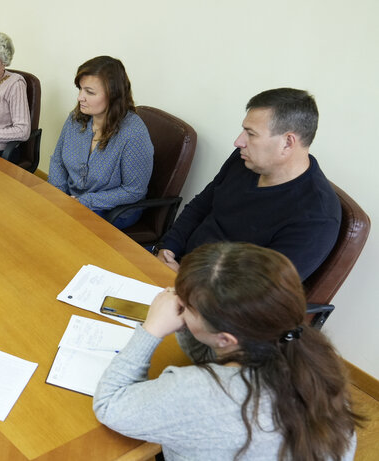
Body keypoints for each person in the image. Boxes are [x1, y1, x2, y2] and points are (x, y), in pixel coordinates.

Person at [93, 242, 359, 460]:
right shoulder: (313, 356)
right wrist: (192, 313)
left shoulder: (201, 392)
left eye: (186, 306)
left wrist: (150, 329)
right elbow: (216, 354)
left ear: (226, 338)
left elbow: (109, 405)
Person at [156, 88, 340, 280]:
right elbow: (200, 206)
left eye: (251, 134)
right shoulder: (244, 161)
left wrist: (187, 280)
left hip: (213, 300)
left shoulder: (317, 216)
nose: (238, 142)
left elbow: (261, 290)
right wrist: (168, 248)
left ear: (287, 142)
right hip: (176, 268)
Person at [48, 56, 153, 229]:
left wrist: (85, 201)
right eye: (80, 89)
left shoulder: (134, 134)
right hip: (73, 199)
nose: (80, 97)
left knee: (62, 230)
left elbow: (134, 190)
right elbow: (58, 161)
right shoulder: (76, 118)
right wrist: (59, 195)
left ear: (113, 95)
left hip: (112, 208)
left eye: (90, 92)